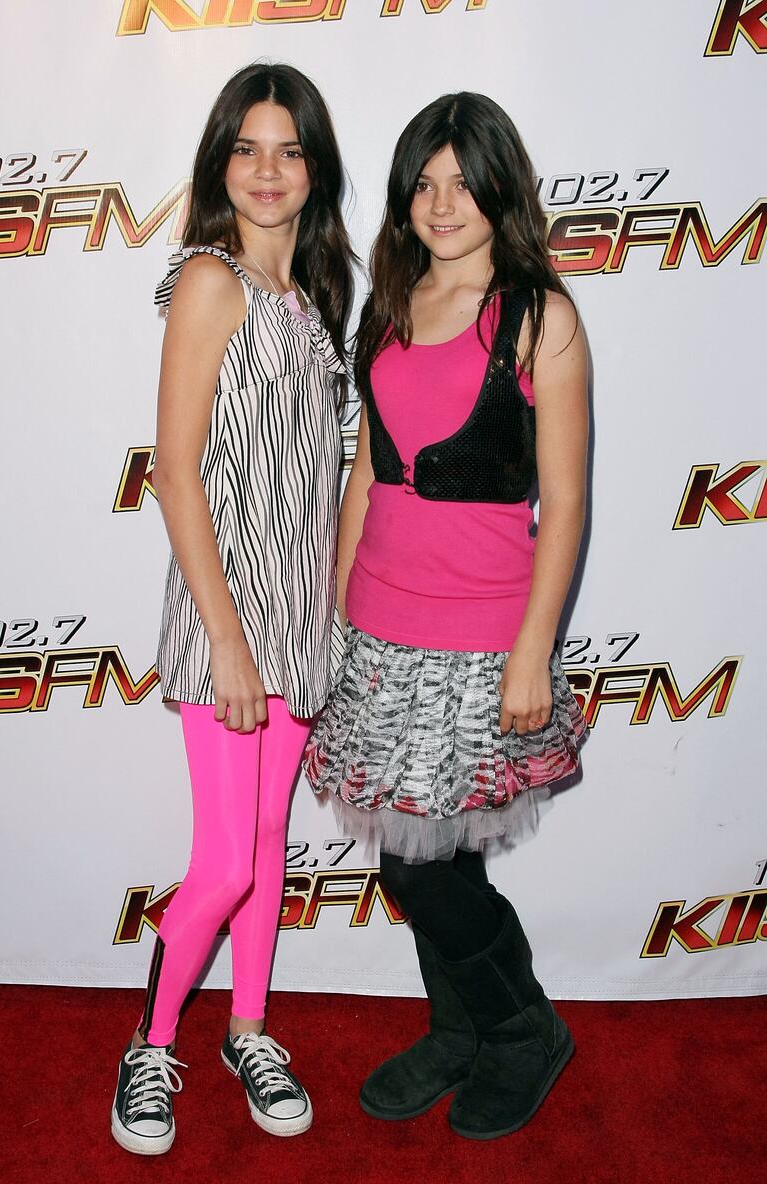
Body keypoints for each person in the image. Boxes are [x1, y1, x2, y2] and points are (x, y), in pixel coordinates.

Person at [303, 91, 588, 1141]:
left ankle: (520, 1028)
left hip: (481, 639)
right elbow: (364, 472)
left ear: (498, 186)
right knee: (427, 855)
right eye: (423, 181)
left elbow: (562, 501)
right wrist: (338, 603)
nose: (440, 201)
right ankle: (461, 1025)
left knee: (418, 860)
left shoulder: (537, 315)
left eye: (462, 180)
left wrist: (532, 655)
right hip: (380, 630)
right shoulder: (388, 302)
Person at [111, 63, 354, 1154]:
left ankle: (247, 1026)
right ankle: (153, 1040)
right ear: (220, 163)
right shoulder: (209, 281)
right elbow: (173, 467)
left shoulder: (315, 297)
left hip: (303, 621)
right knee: (227, 863)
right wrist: (224, 639)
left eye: (288, 148)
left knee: (266, 838)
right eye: (247, 148)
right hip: (230, 624)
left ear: (314, 169)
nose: (267, 170)